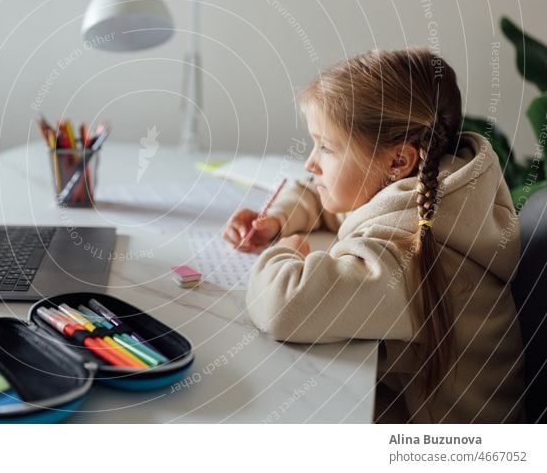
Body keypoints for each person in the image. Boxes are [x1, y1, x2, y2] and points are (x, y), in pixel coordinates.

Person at [224, 49, 524, 423]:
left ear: (398, 161)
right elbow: (338, 206)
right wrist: (281, 218)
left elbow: (286, 308)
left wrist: (285, 251)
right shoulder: (436, 191)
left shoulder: (407, 250)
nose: (310, 162)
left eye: (327, 148)